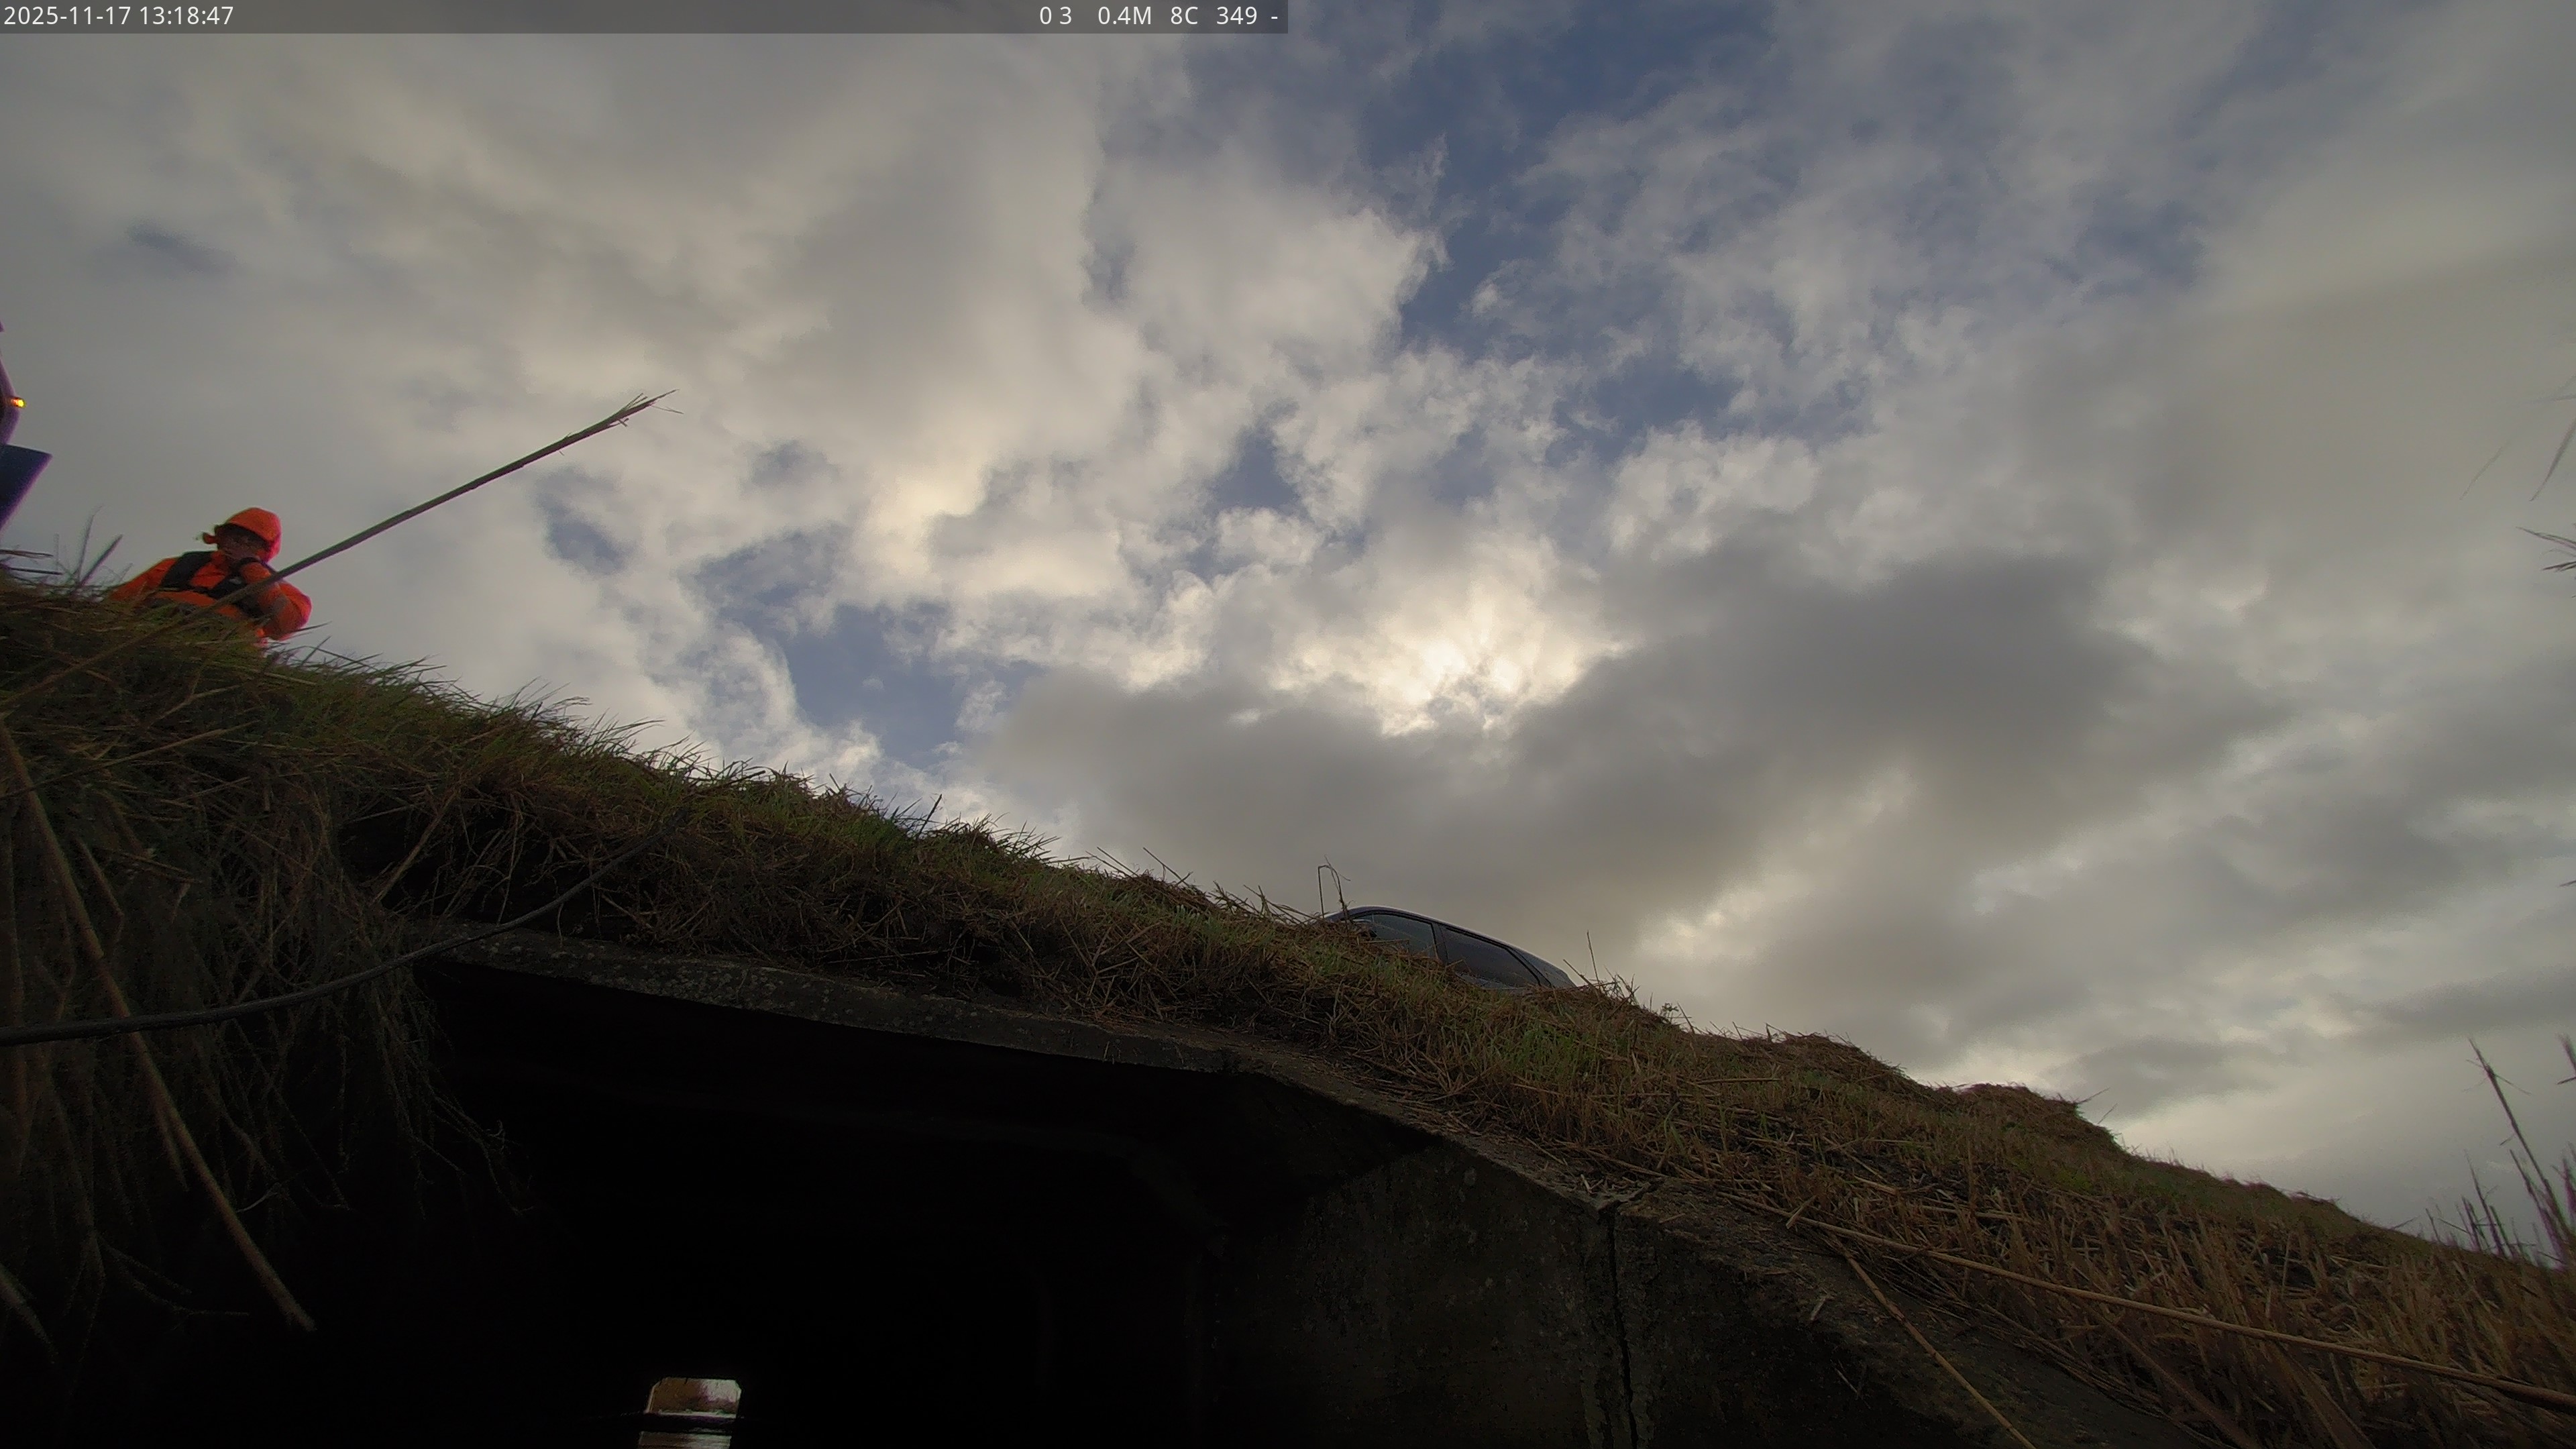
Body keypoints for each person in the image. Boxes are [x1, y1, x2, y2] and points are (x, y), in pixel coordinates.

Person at [109, 507, 312, 642]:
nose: (241, 545)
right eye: (236, 537)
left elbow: (288, 626)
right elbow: (117, 604)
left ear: (265, 550)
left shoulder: (278, 586)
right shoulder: (176, 566)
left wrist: (250, 568)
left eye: (251, 542)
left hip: (220, 666)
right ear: (222, 538)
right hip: (151, 646)